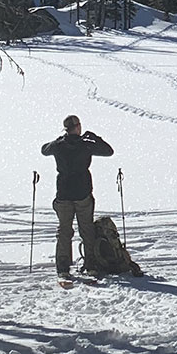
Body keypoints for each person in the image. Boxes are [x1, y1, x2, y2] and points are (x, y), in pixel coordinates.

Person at [40, 115, 114, 278]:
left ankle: (63, 268)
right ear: (78, 127)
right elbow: (109, 151)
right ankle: (91, 265)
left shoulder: (58, 145)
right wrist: (95, 138)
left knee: (64, 231)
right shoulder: (86, 145)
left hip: (64, 194)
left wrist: (60, 139)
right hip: (82, 193)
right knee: (87, 229)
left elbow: (44, 149)